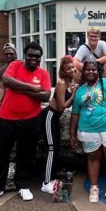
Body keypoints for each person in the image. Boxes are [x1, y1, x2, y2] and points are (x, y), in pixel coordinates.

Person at [0, 42, 51, 203]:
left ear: (41, 58)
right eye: (31, 55)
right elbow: (7, 81)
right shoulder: (16, 65)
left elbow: (46, 96)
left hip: (31, 120)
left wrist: (20, 88)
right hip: (6, 119)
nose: (34, 59)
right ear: (25, 56)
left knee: (26, 155)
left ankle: (23, 185)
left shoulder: (44, 73)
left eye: (37, 56)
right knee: (2, 154)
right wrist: (33, 87)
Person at [69, 61, 106, 203]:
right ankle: (94, 188)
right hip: (88, 129)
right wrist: (72, 134)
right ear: (83, 72)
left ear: (98, 70)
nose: (90, 72)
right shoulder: (81, 90)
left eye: (93, 69)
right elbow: (75, 114)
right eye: (87, 70)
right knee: (92, 158)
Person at [40, 55, 78, 194]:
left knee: (56, 148)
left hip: (55, 118)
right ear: (63, 71)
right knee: (51, 149)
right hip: (49, 115)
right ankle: (46, 182)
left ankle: (51, 178)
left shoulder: (70, 82)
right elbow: (62, 107)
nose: (72, 69)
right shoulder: (62, 83)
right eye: (68, 68)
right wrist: (73, 95)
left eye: (73, 67)